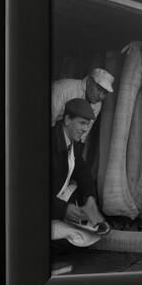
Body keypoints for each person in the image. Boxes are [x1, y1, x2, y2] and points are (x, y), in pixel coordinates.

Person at [51, 98, 110, 235]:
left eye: (87, 124)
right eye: (82, 123)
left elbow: (83, 172)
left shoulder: (73, 143)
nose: (85, 129)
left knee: (90, 229)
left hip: (58, 200)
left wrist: (90, 198)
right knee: (72, 241)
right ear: (67, 120)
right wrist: (62, 209)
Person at [51, 67, 114, 142]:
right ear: (89, 82)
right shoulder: (62, 89)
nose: (101, 96)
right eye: (99, 89)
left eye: (105, 93)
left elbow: (83, 135)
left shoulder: (97, 104)